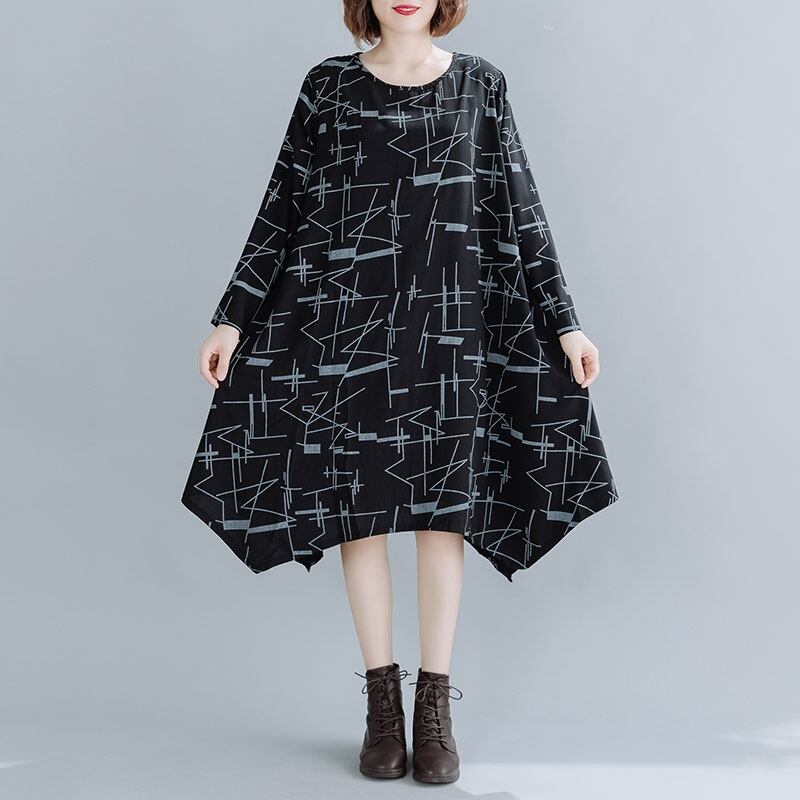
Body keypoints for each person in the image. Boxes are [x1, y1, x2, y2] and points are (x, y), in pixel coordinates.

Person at [180, 0, 619, 784]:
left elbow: (520, 208)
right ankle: (382, 707)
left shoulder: (482, 85)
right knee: (361, 518)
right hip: (348, 332)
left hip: (450, 339)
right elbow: (282, 207)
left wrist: (565, 323)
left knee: (442, 520)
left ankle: (434, 708)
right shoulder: (327, 87)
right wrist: (232, 318)